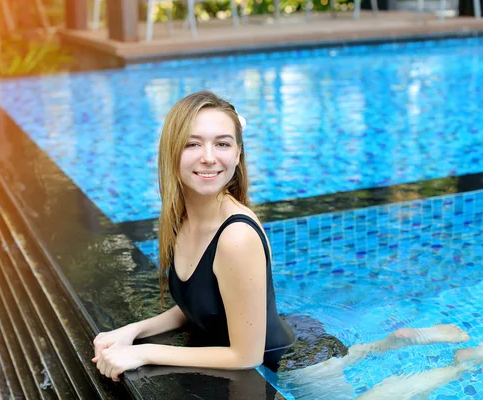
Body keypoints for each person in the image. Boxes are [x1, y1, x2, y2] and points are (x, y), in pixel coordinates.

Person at [92, 91, 483, 397]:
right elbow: (198, 302)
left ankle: (461, 365)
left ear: (238, 154)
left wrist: (143, 352)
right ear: (172, 152)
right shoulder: (183, 217)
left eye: (223, 144)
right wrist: (134, 330)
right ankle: (393, 341)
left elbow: (244, 357)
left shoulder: (236, 236)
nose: (209, 158)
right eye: (194, 144)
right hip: (286, 334)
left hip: (296, 361)